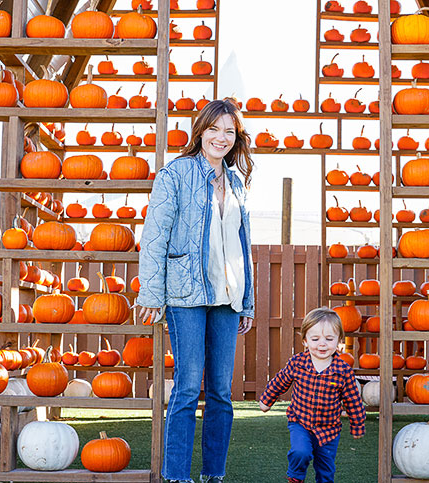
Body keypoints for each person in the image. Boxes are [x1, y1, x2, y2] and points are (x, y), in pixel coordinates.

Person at [136, 98, 255, 483]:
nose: (221, 138)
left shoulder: (237, 183)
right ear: (200, 130)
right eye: (214, 129)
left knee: (221, 391)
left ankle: (213, 475)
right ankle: (176, 476)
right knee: (188, 386)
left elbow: (243, 244)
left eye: (229, 132)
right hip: (186, 295)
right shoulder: (175, 175)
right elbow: (154, 237)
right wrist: (152, 295)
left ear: (236, 139)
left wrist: (248, 300)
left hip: (228, 297)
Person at [259, 307, 366, 483]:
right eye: (315, 339)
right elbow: (280, 381)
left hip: (329, 430)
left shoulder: (343, 370)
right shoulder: (298, 363)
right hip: (300, 422)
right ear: (305, 341)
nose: (322, 344)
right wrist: (266, 401)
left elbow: (353, 400)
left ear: (339, 340)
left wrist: (357, 425)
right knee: (300, 452)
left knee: (325, 469)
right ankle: (295, 477)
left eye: (329, 339)